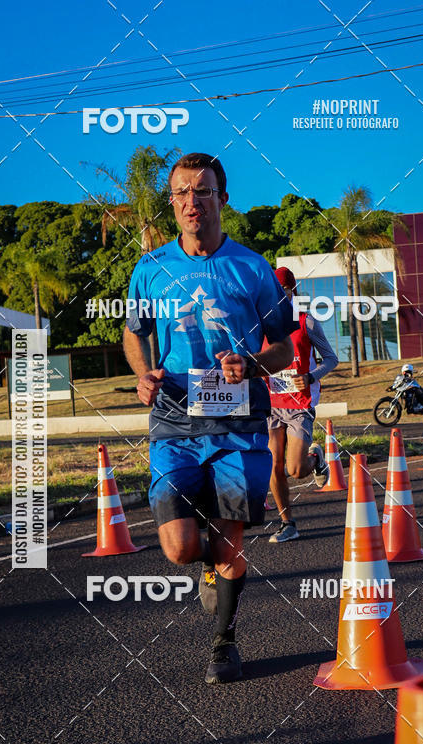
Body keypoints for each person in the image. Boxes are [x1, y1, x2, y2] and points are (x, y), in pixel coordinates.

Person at [123, 152, 294, 685]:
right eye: (181, 193)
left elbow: (286, 347)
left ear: (223, 198)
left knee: (228, 544)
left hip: (238, 417)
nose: (192, 201)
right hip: (174, 412)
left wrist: (254, 365)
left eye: (203, 191)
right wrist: (140, 373)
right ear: (171, 203)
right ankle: (205, 568)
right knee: (179, 549)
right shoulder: (149, 269)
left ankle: (224, 642)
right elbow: (134, 333)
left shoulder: (252, 268)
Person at [265, 267, 339, 542]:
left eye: (282, 289)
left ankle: (315, 459)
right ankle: (288, 523)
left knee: (295, 469)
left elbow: (331, 359)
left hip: (299, 402)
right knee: (273, 464)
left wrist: (310, 376)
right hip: (271, 402)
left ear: (291, 290)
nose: (277, 295)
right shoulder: (260, 322)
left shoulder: (306, 321)